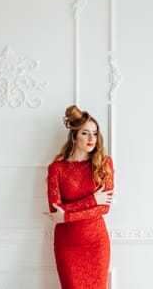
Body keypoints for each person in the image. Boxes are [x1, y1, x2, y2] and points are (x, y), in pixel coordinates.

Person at [44, 105, 114, 289]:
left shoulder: (104, 163)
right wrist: (92, 200)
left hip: (96, 243)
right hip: (67, 245)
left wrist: (66, 215)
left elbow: (104, 208)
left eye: (95, 133)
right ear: (74, 136)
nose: (92, 138)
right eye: (85, 133)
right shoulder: (57, 169)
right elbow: (54, 210)